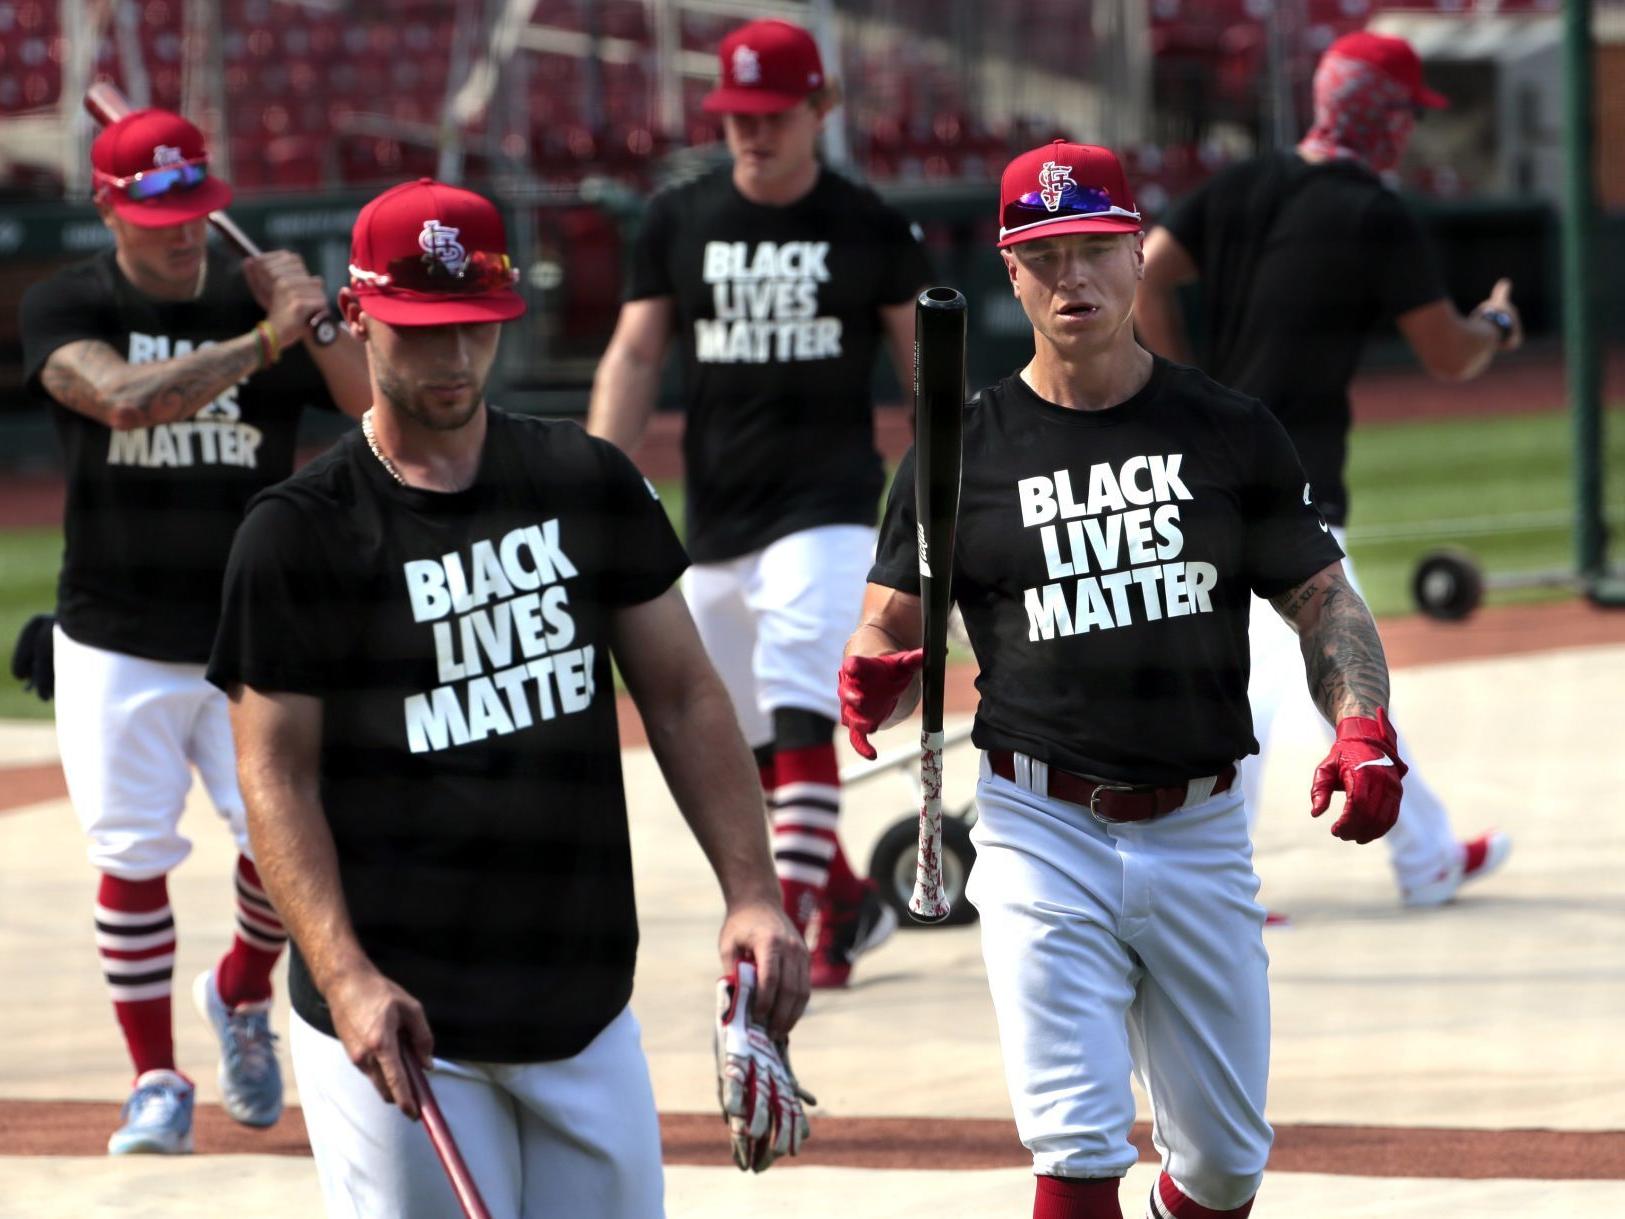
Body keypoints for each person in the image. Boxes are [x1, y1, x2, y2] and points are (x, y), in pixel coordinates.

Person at [206, 178, 811, 1217]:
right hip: (402, 1026)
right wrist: (344, 975)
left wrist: (751, 887)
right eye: (422, 329)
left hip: (581, 1005)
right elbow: (274, 771)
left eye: (473, 329)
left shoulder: (584, 479)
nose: (451, 359)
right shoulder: (297, 530)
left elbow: (682, 694)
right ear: (357, 314)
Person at [840, 141, 1409, 1219]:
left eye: (1094, 249)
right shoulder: (957, 451)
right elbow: (890, 625)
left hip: (1198, 823)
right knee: (1076, 1141)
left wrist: (1362, 725)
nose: (1072, 279)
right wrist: (875, 674)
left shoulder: (1226, 430)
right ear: (1009, 274)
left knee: (1226, 1166)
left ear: (1138, 255)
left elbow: (1322, 601)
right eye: (1042, 255)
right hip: (1036, 823)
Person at [16, 105, 371, 1155]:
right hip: (113, 632)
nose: (181, 231)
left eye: (195, 211)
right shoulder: (67, 301)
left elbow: (363, 405)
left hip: (251, 630)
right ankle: (155, 1078)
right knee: (130, 856)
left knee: (284, 843)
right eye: (158, 213)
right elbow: (122, 401)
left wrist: (316, 320)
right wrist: (264, 340)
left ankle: (242, 992)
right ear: (108, 209)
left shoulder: (248, 292)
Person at [586, 18, 932, 988]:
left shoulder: (865, 224)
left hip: (826, 505)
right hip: (717, 518)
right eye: (735, 115)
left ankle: (789, 933)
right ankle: (852, 901)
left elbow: (924, 378)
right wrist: (594, 485)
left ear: (820, 109)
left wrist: (946, 503)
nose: (751, 133)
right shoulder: (677, 219)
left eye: (772, 114)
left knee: (793, 708)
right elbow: (635, 353)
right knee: (740, 742)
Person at [1136, 30, 1516, 910]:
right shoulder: (1371, 213)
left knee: (1297, 668)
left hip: (1211, 462)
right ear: (1379, 118)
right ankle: (1215, 878)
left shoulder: (1243, 182)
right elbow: (1447, 355)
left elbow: (1147, 271)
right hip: (1291, 474)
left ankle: (1422, 848)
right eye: (1404, 117)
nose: (1407, 135)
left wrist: (1184, 389)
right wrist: (1495, 326)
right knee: (1302, 670)